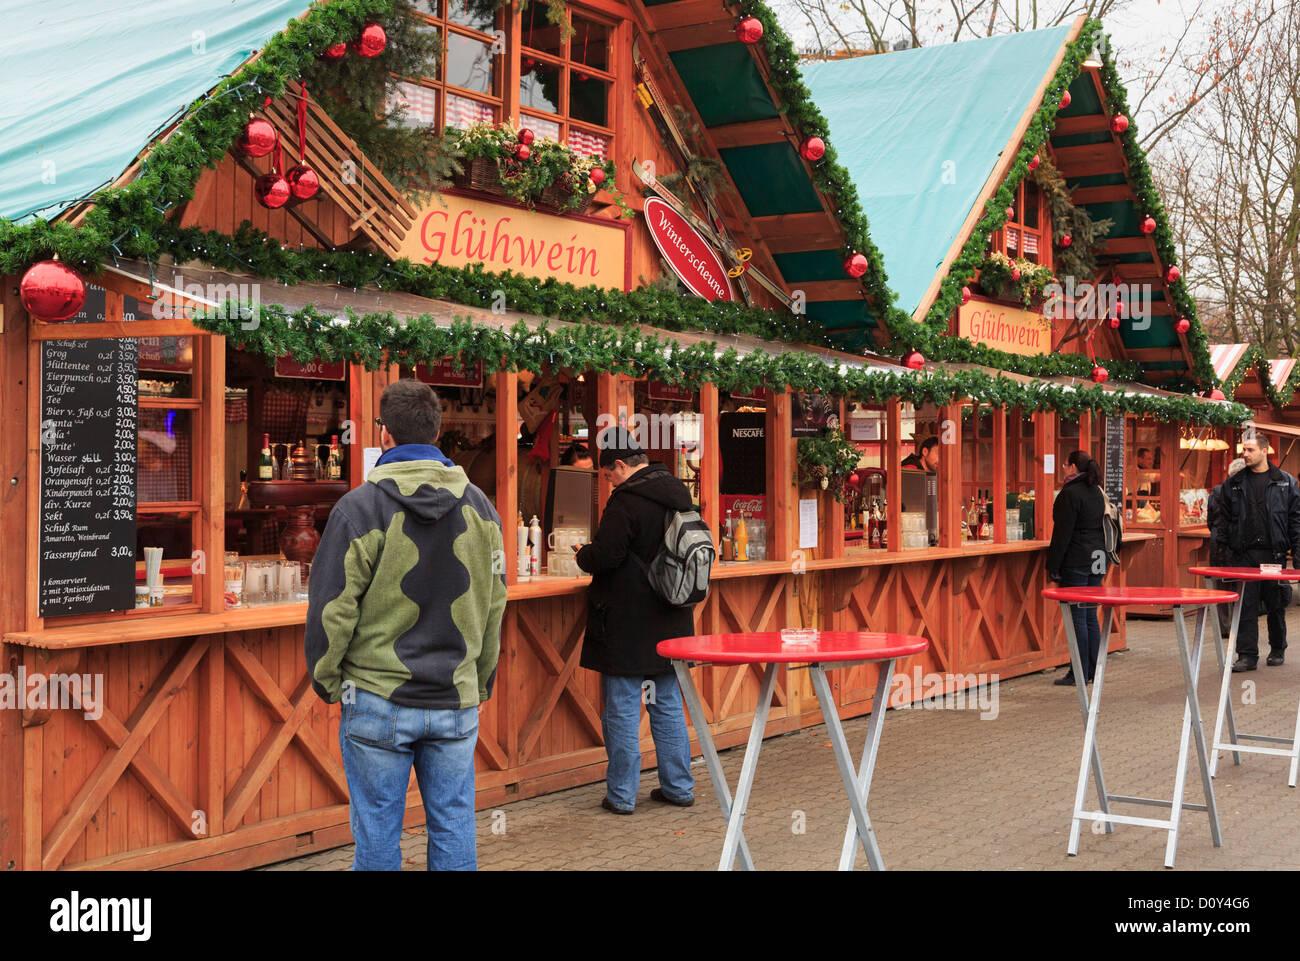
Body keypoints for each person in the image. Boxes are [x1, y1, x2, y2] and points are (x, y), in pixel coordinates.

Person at [305, 379, 507, 870]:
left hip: (376, 696)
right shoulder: (481, 507)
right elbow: (495, 605)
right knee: (455, 824)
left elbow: (332, 607)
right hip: (455, 699)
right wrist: (479, 681)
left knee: (376, 832)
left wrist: (327, 680)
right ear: (438, 432)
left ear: (385, 434)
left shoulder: (358, 508)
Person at [575, 426, 697, 814]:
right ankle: (678, 787)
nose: (607, 482)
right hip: (672, 619)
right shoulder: (680, 495)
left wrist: (583, 554)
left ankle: (622, 796)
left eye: (608, 474)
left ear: (622, 466)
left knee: (623, 709)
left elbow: (607, 556)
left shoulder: (626, 501)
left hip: (628, 623)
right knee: (667, 707)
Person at [1210, 436, 1300, 671]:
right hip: (1245, 554)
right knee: (1246, 605)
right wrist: (1225, 553)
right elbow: (1223, 521)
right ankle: (1247, 655)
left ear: (1264, 450)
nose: (1245, 454)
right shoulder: (1235, 483)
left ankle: (1278, 648)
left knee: (1275, 602)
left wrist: (1297, 554)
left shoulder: (1285, 482)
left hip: (1274, 554)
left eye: (1250, 450)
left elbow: (1295, 520)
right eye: (1243, 450)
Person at [1046, 450, 1107, 687]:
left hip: (1077, 559)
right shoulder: (1097, 491)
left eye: (1064, 464)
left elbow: (1062, 534)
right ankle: (1092, 669)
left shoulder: (1069, 494)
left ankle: (1078, 673)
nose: (1062, 468)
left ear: (1072, 467)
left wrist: (1053, 565)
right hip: (1097, 559)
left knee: (1078, 617)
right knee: (1090, 615)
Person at [1207, 457, 1246, 638]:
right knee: (1240, 585)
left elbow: (1210, 521)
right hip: (1238, 544)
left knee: (1220, 585)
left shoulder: (1215, 493)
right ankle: (1239, 625)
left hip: (1218, 544)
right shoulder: (1245, 494)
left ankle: (1224, 626)